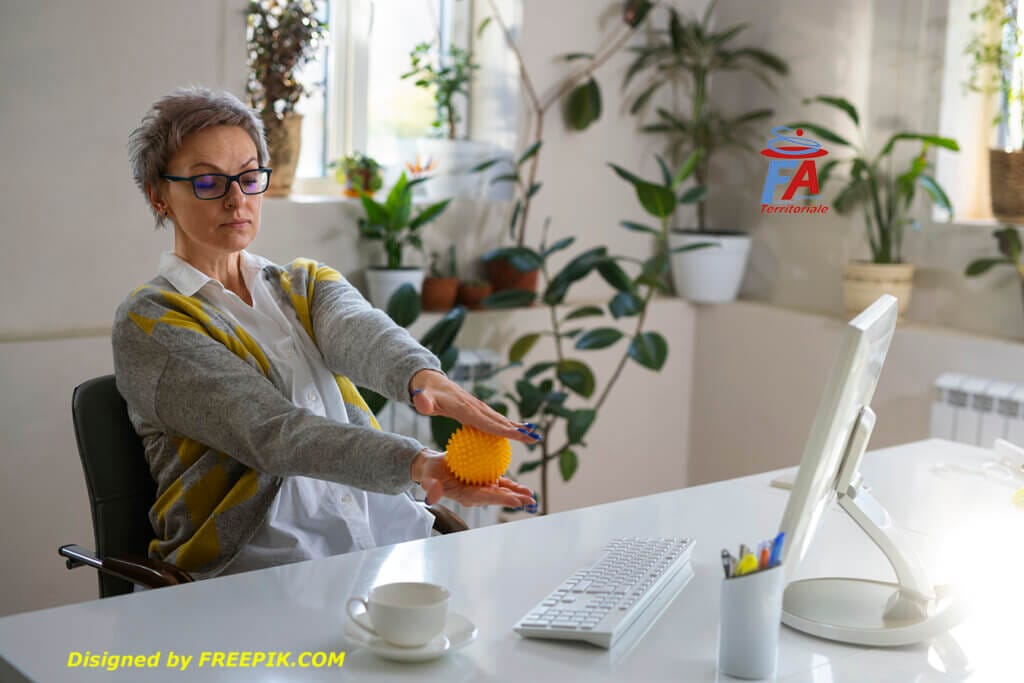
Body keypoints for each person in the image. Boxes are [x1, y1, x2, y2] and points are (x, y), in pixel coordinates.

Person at [114, 86, 537, 580]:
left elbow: (363, 334)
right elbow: (272, 434)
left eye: (250, 177)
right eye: (208, 181)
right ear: (158, 196)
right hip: (261, 569)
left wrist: (427, 380)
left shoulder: (304, 284)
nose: (237, 199)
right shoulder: (150, 322)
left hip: (387, 542)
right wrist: (419, 463)